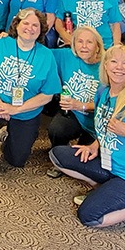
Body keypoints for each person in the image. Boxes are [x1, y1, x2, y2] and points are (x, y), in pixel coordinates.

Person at [48, 45, 125, 235]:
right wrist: (93, 146)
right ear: (105, 65)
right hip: (110, 165)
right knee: (58, 155)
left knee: (89, 216)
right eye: (114, 61)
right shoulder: (103, 93)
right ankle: (103, 191)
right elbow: (103, 128)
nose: (119, 67)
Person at [0, 8, 61, 173]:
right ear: (17, 25)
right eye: (25, 23)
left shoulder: (46, 56)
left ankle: (8, 134)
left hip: (26, 109)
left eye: (35, 25)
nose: (30, 28)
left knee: (16, 160)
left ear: (41, 29)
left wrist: (16, 109)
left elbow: (48, 95)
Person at [46, 26, 104, 178]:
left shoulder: (106, 66)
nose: (84, 46)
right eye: (79, 41)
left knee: (86, 158)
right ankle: (59, 160)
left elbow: (111, 104)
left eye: (89, 42)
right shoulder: (66, 56)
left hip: (99, 121)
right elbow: (37, 51)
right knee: (56, 129)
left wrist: (81, 105)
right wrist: (9, 38)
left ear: (97, 46)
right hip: (74, 114)